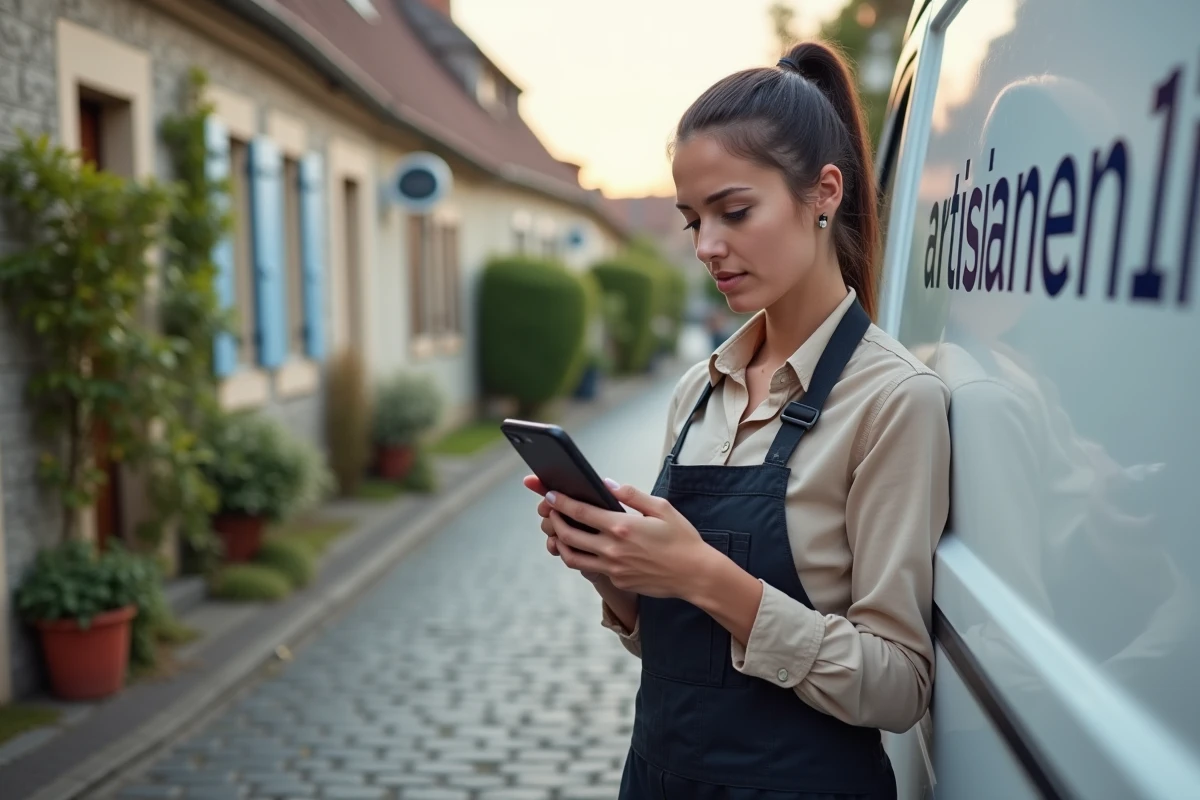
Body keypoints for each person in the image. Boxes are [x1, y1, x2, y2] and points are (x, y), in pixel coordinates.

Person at [524, 41, 951, 799]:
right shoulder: (700, 388)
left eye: (735, 211)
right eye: (693, 221)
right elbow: (684, 650)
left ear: (823, 192)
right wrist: (616, 574)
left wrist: (703, 574)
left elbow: (897, 685)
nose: (707, 247)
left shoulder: (893, 399)